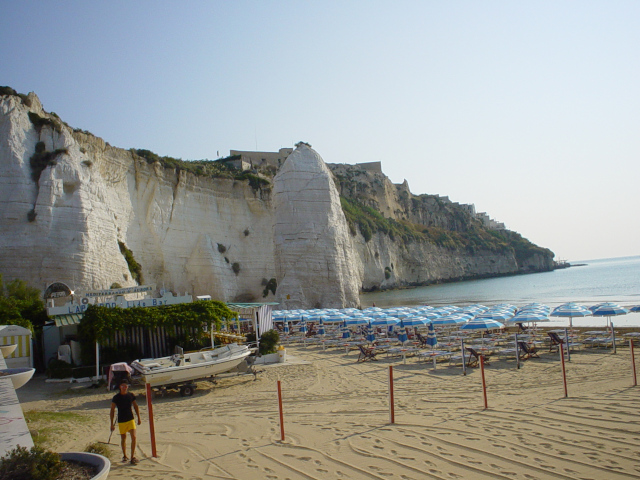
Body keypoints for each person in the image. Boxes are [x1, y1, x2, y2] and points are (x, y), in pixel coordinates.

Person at [110, 379, 141, 464]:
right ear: (120, 387)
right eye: (123, 386)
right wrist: (112, 424)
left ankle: (132, 457)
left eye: (126, 386)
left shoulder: (130, 395)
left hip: (130, 419)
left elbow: (135, 406)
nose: (124, 387)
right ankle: (125, 455)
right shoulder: (116, 397)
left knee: (134, 437)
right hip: (121, 420)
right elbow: (112, 410)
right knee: (123, 438)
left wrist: (139, 417)